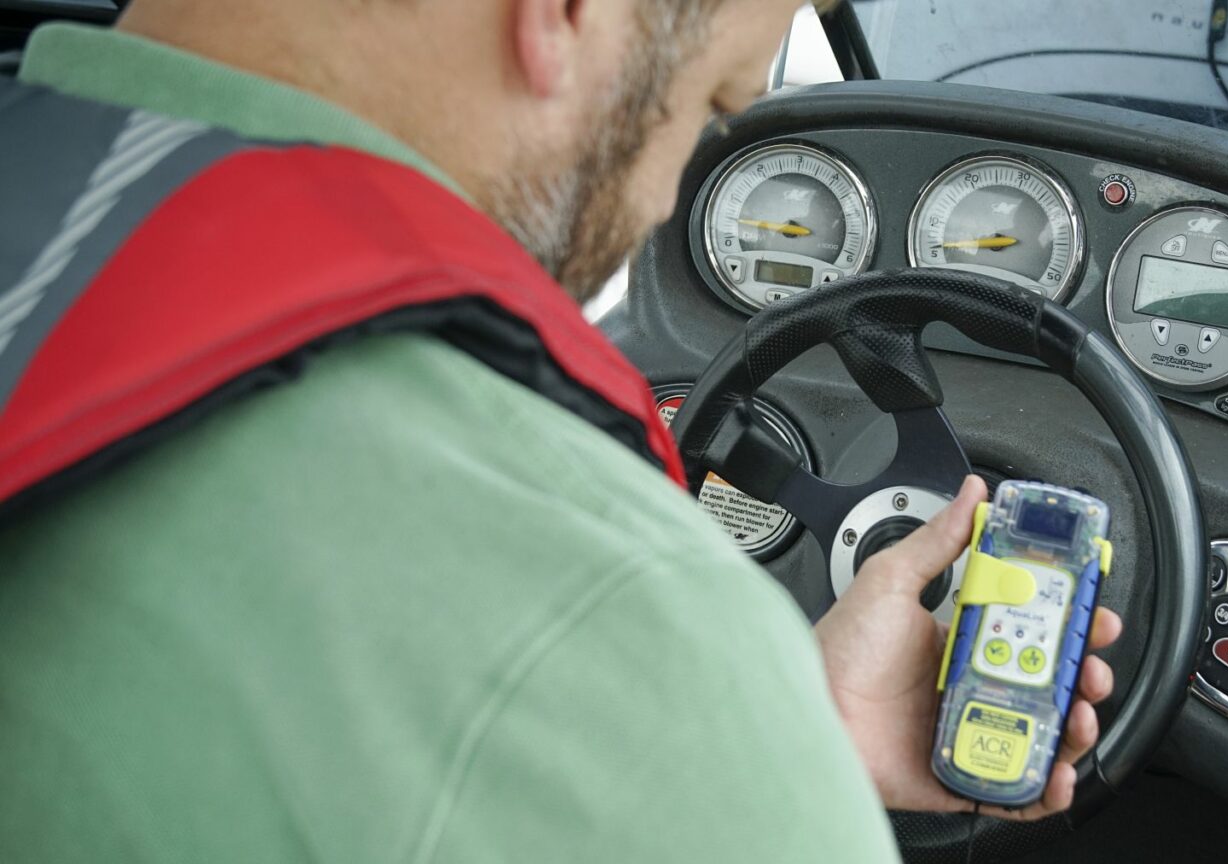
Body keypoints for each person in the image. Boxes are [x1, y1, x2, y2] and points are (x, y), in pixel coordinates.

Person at [0, 1, 1121, 860]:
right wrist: (709, 732)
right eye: (713, 108)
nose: (659, 202)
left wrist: (787, 726)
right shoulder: (610, 621)